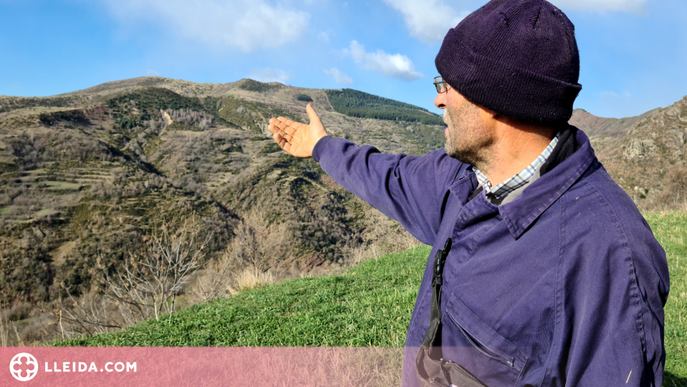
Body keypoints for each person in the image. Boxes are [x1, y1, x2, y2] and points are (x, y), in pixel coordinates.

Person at [268, 0, 670, 385]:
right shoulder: (463, 179)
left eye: (450, 84)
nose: (439, 98)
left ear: (496, 98)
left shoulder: (610, 258)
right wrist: (321, 146)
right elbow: (387, 176)